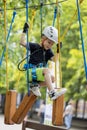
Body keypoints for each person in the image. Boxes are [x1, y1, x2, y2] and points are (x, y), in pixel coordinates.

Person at [20, 22, 67, 100]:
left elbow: (55, 60)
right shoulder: (35, 46)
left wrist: (58, 50)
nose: (49, 45)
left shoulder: (48, 51)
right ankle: (52, 93)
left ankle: (35, 86)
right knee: (46, 70)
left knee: (52, 79)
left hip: (38, 74)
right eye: (49, 42)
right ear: (42, 39)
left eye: (52, 44)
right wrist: (24, 31)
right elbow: (22, 42)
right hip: (31, 72)